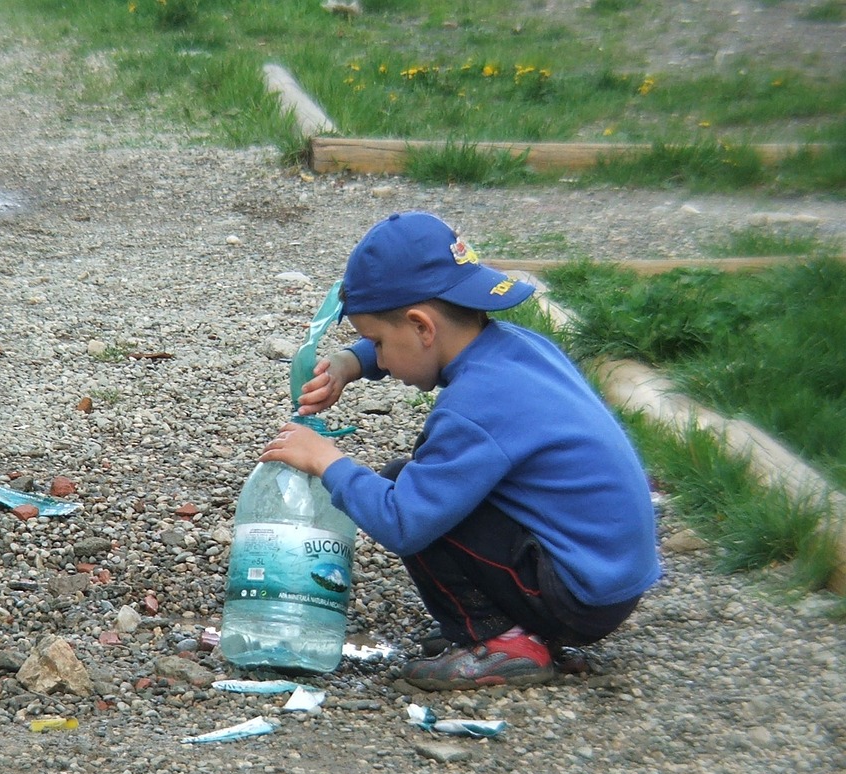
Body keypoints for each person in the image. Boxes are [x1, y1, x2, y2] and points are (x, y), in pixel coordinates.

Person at [259, 211, 661, 690]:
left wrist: (327, 461)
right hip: (606, 577)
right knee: (426, 483)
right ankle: (522, 628)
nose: (380, 357)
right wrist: (352, 362)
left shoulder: (473, 407)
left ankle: (504, 641)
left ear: (422, 327)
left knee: (401, 487)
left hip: (577, 596)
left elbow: (404, 522)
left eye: (377, 342)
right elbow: (411, 336)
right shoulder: (516, 349)